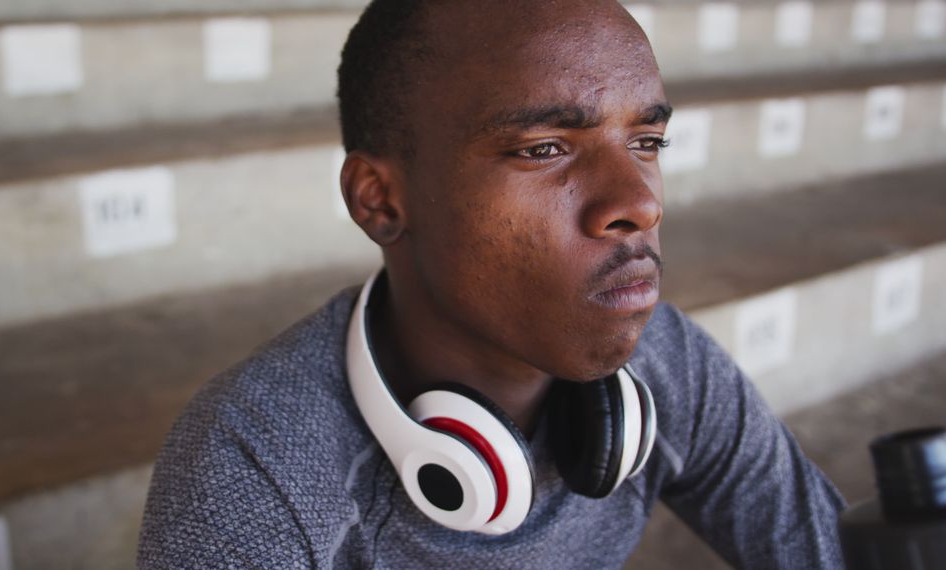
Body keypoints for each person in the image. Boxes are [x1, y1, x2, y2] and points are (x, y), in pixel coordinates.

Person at [138, 0, 846, 567]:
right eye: (543, 149)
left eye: (647, 142)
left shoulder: (668, 365)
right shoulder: (252, 473)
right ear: (380, 201)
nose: (640, 202)